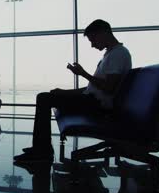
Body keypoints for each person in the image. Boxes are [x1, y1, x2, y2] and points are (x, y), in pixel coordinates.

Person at [14, 19, 132, 162]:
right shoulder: (112, 54)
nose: (92, 45)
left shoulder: (118, 54)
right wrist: (64, 91)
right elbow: (92, 89)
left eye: (93, 39)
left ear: (103, 33)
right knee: (49, 96)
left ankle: (42, 151)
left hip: (97, 106)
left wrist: (83, 74)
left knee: (43, 98)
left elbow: (109, 88)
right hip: (92, 101)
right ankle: (41, 148)